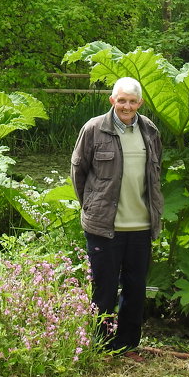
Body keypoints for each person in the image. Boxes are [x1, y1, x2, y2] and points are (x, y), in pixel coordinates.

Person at [71, 76, 164, 355]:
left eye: (132, 101)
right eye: (121, 100)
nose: (126, 106)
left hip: (141, 224)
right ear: (112, 100)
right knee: (104, 289)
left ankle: (127, 345)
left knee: (136, 289)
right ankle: (100, 345)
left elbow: (155, 174)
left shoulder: (149, 130)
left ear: (140, 103)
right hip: (104, 225)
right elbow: (78, 171)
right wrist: (90, 205)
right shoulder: (94, 129)